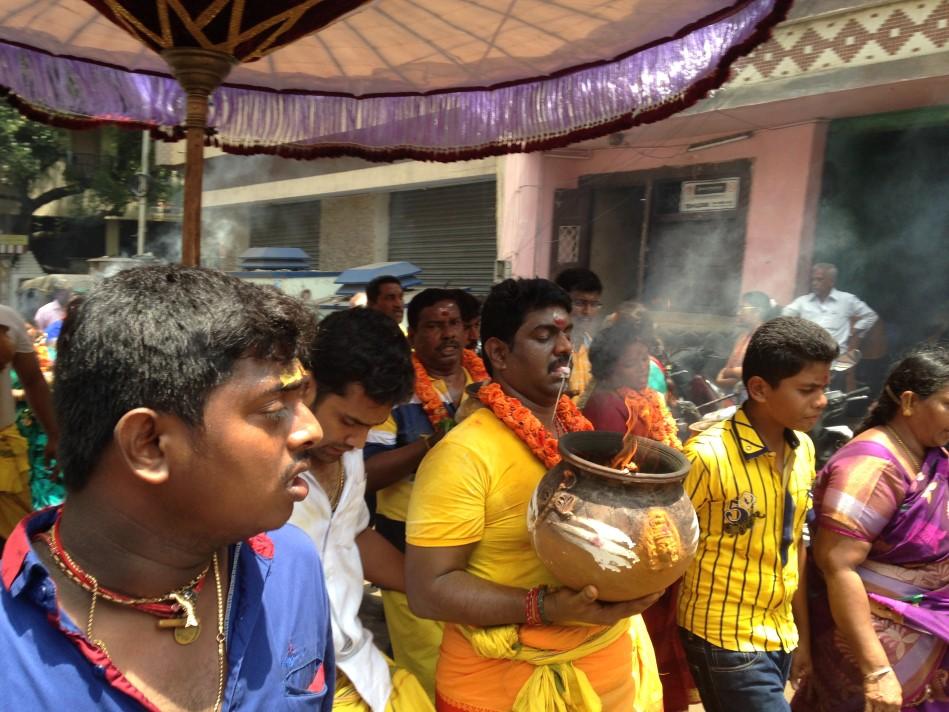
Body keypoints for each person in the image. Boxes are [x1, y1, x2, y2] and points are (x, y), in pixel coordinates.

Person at [1, 266, 334, 710]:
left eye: (303, 400)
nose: (312, 430)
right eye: (274, 406)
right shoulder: (11, 646)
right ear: (149, 444)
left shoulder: (292, 566)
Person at [405, 278, 663, 712]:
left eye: (567, 335)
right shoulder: (462, 455)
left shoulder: (584, 438)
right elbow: (429, 589)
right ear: (500, 354)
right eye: (544, 336)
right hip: (502, 686)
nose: (564, 347)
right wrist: (545, 607)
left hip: (608, 673)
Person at [677, 316, 839, 712]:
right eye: (807, 390)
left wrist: (799, 632)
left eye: (824, 388)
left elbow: (794, 545)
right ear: (759, 389)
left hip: (779, 633)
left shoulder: (803, 449)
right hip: (723, 636)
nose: (821, 401)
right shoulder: (707, 456)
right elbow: (665, 546)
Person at [290, 308, 433, 712]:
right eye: (349, 421)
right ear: (306, 385)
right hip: (292, 688)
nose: (358, 441)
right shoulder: (261, 474)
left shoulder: (349, 460)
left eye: (372, 426)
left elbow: (352, 537)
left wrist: (434, 589)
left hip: (361, 669)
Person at [792, 346, 949, 712]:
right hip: (874, 648)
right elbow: (838, 566)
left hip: (926, 633)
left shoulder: (929, 456)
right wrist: (877, 670)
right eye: (946, 403)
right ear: (908, 402)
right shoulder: (872, 467)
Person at [364, 288, 488, 698]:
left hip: (476, 545)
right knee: (428, 671)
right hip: (407, 547)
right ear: (413, 334)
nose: (448, 334)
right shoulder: (396, 391)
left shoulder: (486, 384)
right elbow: (365, 475)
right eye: (434, 326)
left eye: (454, 324)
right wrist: (432, 445)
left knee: (474, 670)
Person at [582, 321, 694, 711]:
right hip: (630, 524)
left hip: (655, 515)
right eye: (633, 363)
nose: (643, 369)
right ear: (610, 368)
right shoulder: (606, 404)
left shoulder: (646, 397)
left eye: (646, 360)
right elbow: (625, 465)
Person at [0, 305, 58, 548]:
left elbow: (33, 381)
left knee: (11, 546)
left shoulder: (7, 318)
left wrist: (55, 435)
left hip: (4, 452)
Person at [583, 322, 680, 449]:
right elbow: (616, 462)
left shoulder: (644, 395)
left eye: (645, 359)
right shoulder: (606, 407)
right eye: (630, 364)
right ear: (608, 371)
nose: (643, 367)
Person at [783, 263, 878, 354]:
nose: (814, 283)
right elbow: (784, 318)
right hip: (809, 360)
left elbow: (870, 316)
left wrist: (856, 331)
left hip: (835, 363)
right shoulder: (802, 302)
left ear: (831, 282)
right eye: (813, 280)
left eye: (819, 280)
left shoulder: (847, 300)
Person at [555, 267, 603, 399]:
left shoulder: (593, 350)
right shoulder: (551, 349)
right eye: (580, 303)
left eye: (594, 304)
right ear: (561, 302)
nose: (587, 311)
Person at [716, 291, 775, 391]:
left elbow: (756, 373)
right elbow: (728, 368)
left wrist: (730, 372)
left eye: (742, 308)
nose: (738, 313)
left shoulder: (766, 338)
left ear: (757, 312)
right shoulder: (743, 336)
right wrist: (723, 377)